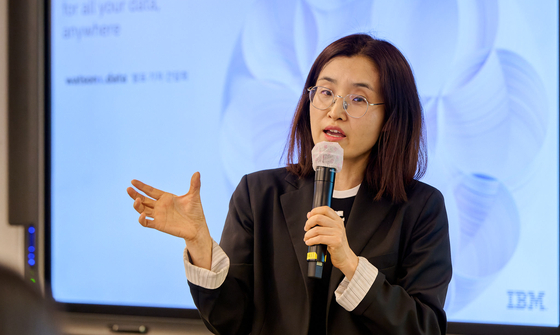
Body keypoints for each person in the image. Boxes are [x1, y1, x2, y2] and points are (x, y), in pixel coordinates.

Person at [127, 34, 452, 334]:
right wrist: (200, 244)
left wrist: (351, 265)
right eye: (325, 92)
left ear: (389, 118)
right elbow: (231, 321)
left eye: (357, 99)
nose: (335, 111)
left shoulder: (420, 207)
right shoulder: (258, 194)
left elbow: (425, 327)